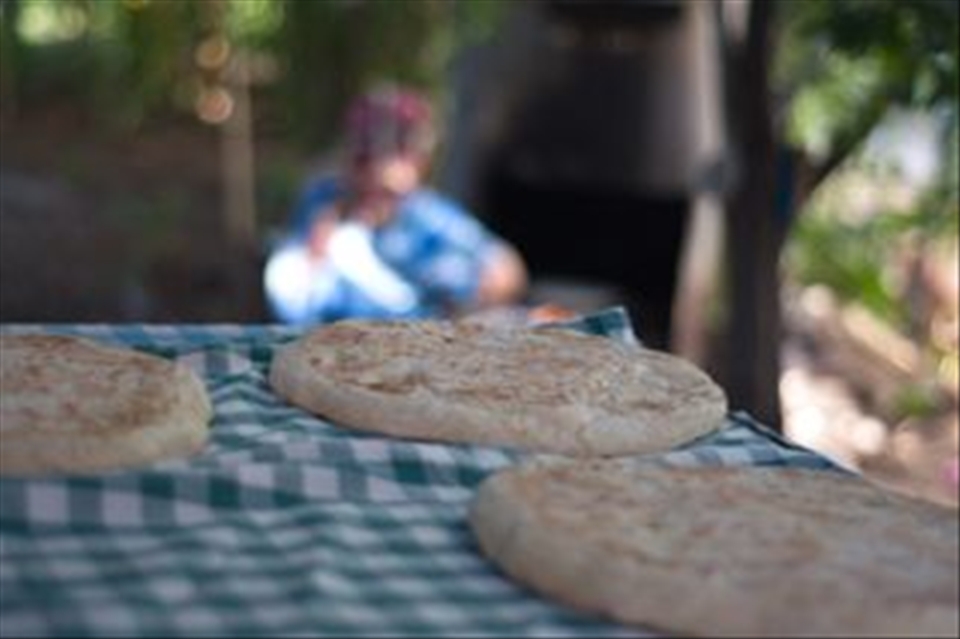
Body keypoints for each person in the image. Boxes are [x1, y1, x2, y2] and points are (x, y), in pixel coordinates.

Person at [264, 85, 528, 326]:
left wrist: (475, 304)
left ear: (419, 164)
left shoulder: (427, 215)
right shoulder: (322, 202)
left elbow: (506, 268)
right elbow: (291, 289)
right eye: (363, 158)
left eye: (394, 154)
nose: (373, 173)